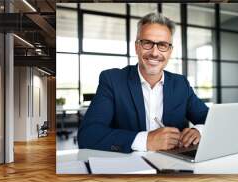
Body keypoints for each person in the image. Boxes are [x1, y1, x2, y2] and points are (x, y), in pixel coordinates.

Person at [78, 13, 209, 153]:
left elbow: (210, 119)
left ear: (170, 51)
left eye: (163, 45)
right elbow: (88, 136)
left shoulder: (180, 84)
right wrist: (146, 140)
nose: (154, 52)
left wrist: (199, 130)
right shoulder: (112, 80)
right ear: (137, 47)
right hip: (129, 169)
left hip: (174, 167)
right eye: (147, 43)